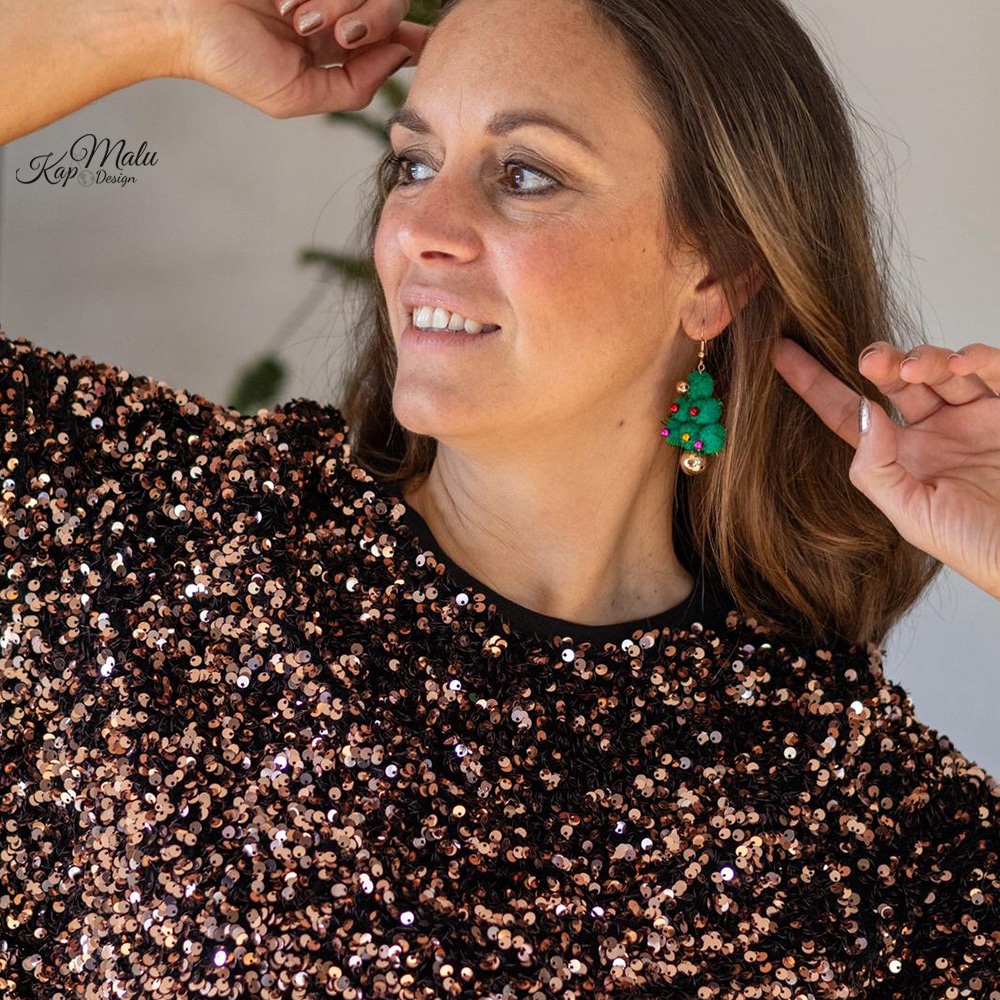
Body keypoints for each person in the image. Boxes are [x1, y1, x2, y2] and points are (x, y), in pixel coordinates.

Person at [1, 0, 998, 996]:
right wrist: (154, 23)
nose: (420, 231)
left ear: (716, 277)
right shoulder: (154, 538)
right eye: (412, 164)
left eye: (524, 175)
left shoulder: (848, 819)